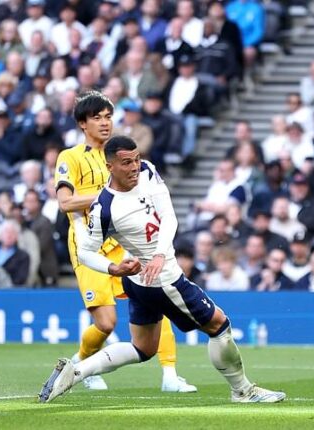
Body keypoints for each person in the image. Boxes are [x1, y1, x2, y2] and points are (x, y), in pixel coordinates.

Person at [39, 136, 285, 404]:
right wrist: (113, 267)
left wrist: (155, 254)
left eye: (135, 159)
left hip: (142, 278)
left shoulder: (147, 170)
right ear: (110, 167)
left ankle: (75, 372)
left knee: (143, 348)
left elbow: (168, 215)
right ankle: (243, 391)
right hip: (163, 280)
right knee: (219, 324)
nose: (134, 167)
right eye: (126, 163)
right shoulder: (104, 207)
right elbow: (85, 251)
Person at [54, 91, 193, 393]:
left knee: (158, 296)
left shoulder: (124, 156)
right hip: (88, 246)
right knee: (105, 323)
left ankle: (170, 375)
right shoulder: (70, 157)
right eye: (97, 117)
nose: (104, 123)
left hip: (125, 242)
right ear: (82, 123)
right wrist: (109, 196)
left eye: (108, 117)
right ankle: (81, 365)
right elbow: (65, 203)